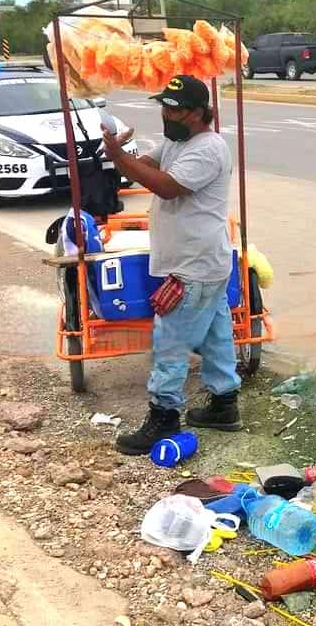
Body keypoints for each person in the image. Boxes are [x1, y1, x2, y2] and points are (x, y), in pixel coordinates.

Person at [100, 74, 242, 455]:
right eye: (163, 105)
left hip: (192, 267)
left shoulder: (207, 149)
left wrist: (121, 158)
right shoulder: (178, 141)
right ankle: (224, 405)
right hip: (201, 262)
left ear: (197, 113)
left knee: (171, 341)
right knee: (215, 337)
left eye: (174, 108)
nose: (165, 112)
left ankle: (164, 415)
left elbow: (166, 186)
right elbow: (147, 164)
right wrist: (123, 155)